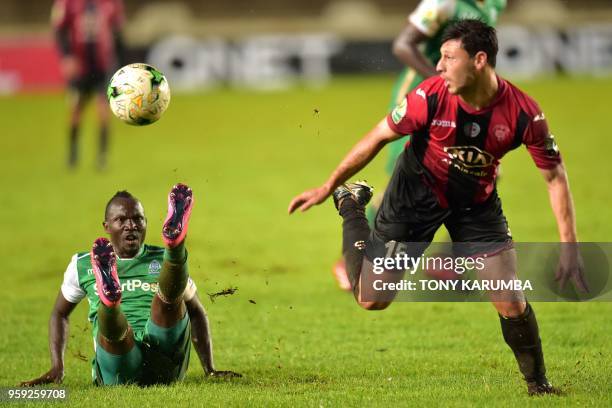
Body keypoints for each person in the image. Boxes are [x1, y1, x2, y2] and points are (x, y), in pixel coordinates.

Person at [289, 19, 587, 395]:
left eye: (449, 57)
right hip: (415, 197)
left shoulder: (524, 113)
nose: (440, 66)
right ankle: (349, 204)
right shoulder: (429, 96)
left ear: (479, 60)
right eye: (441, 57)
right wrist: (328, 185)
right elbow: (378, 136)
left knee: (510, 300)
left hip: (475, 205)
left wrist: (569, 244)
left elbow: (554, 176)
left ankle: (538, 385)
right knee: (372, 299)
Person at [333, 0, 507, 290]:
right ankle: (352, 259)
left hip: (458, 101)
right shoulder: (445, 3)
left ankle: (447, 260)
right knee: (402, 181)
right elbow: (403, 45)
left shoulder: (494, 4)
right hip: (421, 97)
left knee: (482, 172)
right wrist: (440, 82)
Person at [21, 184, 239, 386]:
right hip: (124, 357)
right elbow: (59, 314)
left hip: (160, 352)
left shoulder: (162, 264)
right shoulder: (82, 264)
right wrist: (56, 367)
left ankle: (174, 245)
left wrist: (210, 368)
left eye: (138, 219)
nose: (131, 225)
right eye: (121, 220)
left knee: (166, 301)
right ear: (106, 226)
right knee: (117, 332)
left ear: (146, 223)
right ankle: (112, 298)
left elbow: (196, 312)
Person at [51, 0, 125, 170]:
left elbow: (119, 33)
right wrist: (67, 56)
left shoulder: (111, 3)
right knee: (76, 111)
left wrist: (120, 64)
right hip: (80, 68)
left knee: (103, 112)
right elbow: (59, 30)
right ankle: (73, 156)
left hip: (102, 67)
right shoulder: (69, 3)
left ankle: (102, 158)